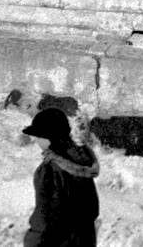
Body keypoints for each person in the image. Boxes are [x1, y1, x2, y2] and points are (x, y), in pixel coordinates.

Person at [21, 106, 100, 247]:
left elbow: (45, 215)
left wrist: (33, 242)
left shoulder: (49, 170)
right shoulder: (82, 161)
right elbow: (92, 208)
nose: (36, 141)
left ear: (49, 137)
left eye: (39, 136)